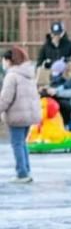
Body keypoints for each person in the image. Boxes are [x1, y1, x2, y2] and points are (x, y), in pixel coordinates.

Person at [0, 47, 41, 183]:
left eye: (3, 60)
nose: (2, 63)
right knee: (22, 143)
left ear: (9, 61)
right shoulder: (28, 74)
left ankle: (22, 173)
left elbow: (5, 99)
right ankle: (26, 170)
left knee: (17, 144)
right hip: (28, 116)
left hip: (16, 116)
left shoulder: (11, 76)